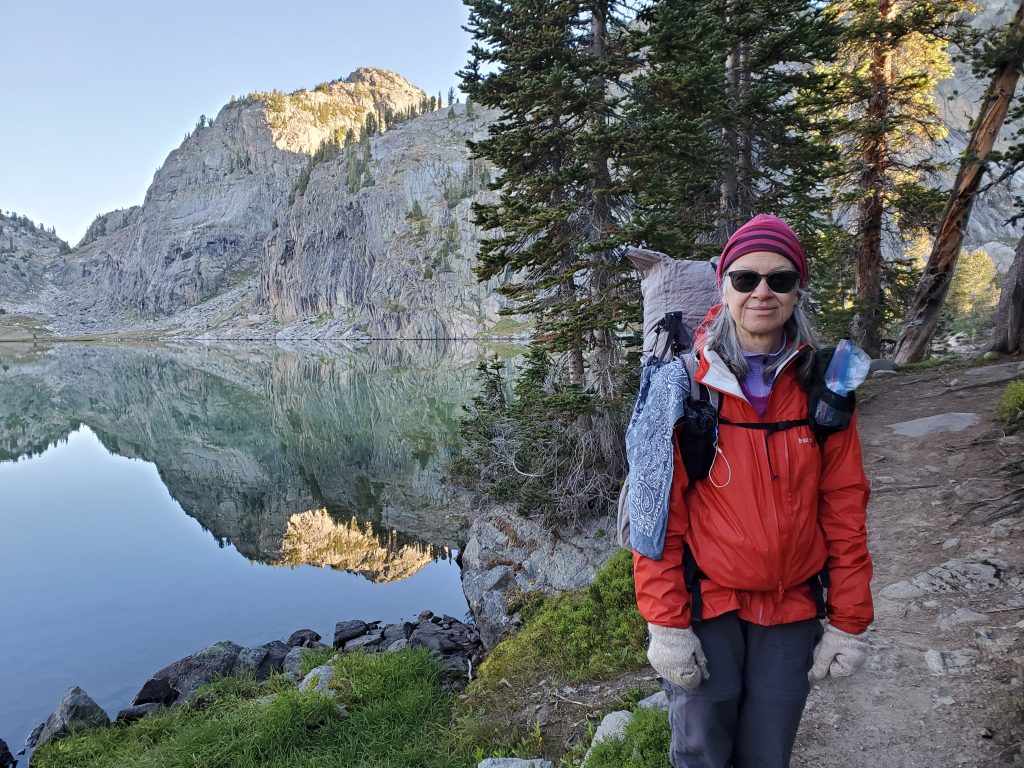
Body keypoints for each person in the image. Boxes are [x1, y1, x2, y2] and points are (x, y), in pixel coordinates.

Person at [632, 214, 874, 768]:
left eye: (780, 279)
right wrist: (667, 624)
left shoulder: (823, 390)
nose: (762, 292)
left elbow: (844, 509)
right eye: (746, 279)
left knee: (769, 751)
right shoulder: (686, 386)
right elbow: (656, 516)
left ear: (797, 291)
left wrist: (848, 622)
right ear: (724, 284)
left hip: (792, 606)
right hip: (707, 600)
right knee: (701, 748)